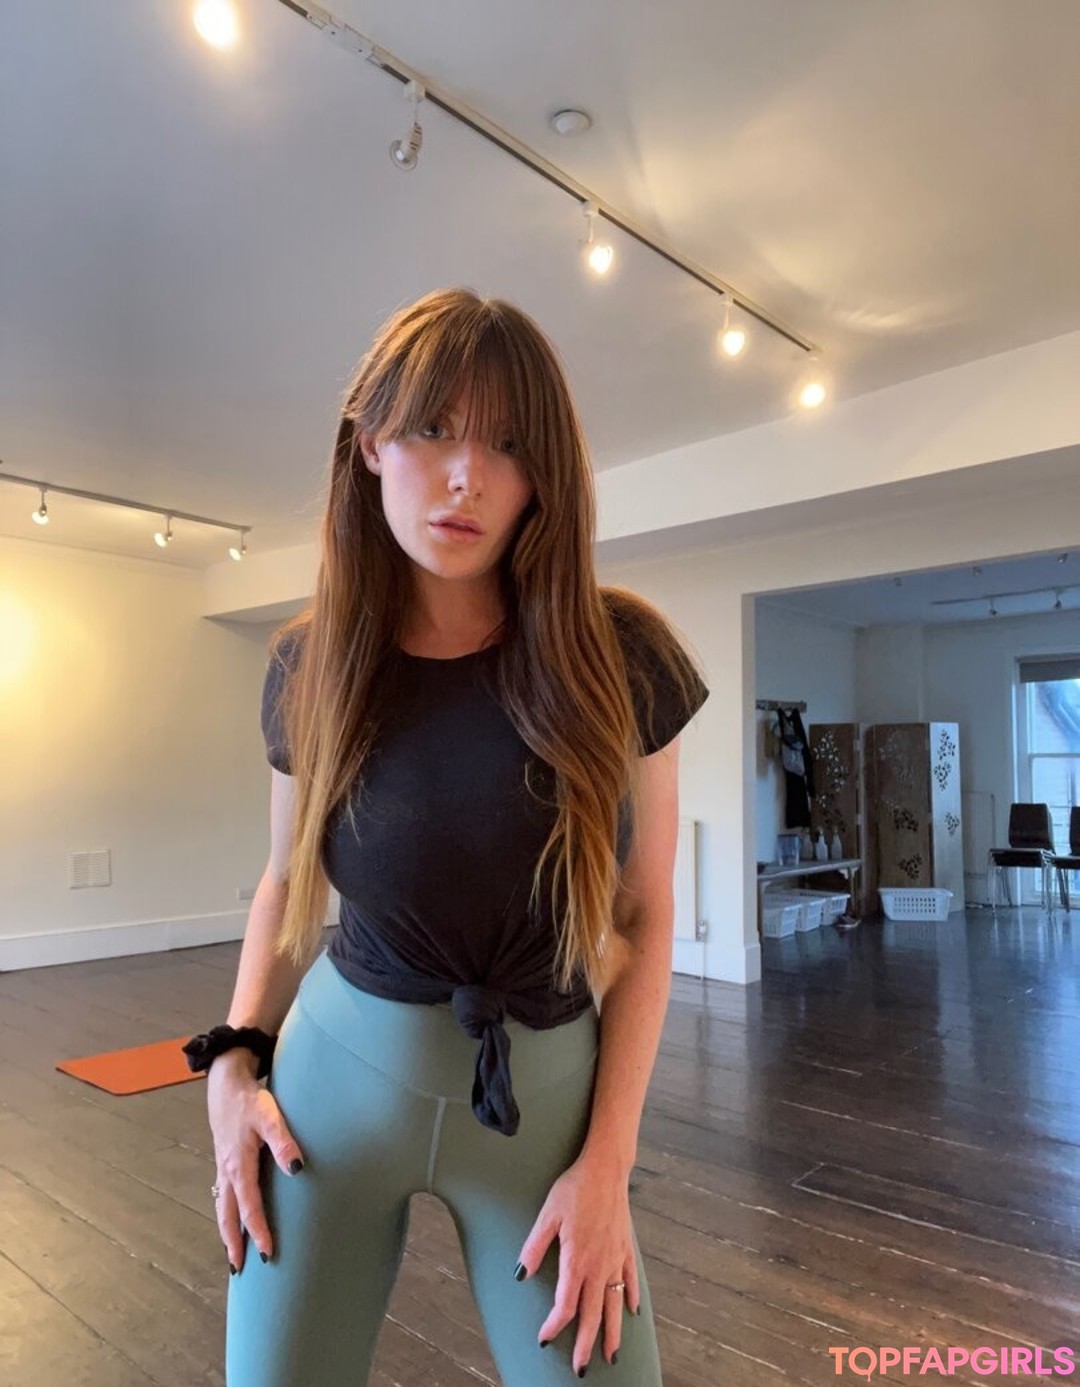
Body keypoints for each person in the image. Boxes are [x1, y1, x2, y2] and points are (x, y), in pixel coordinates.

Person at [183, 287, 709, 1385]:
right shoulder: (308, 664)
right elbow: (285, 885)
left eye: (509, 445)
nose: (468, 475)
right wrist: (232, 1060)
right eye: (432, 428)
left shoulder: (622, 655)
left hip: (547, 1111)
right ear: (371, 443)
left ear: (542, 477)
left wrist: (608, 1165)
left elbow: (643, 914)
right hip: (330, 1093)